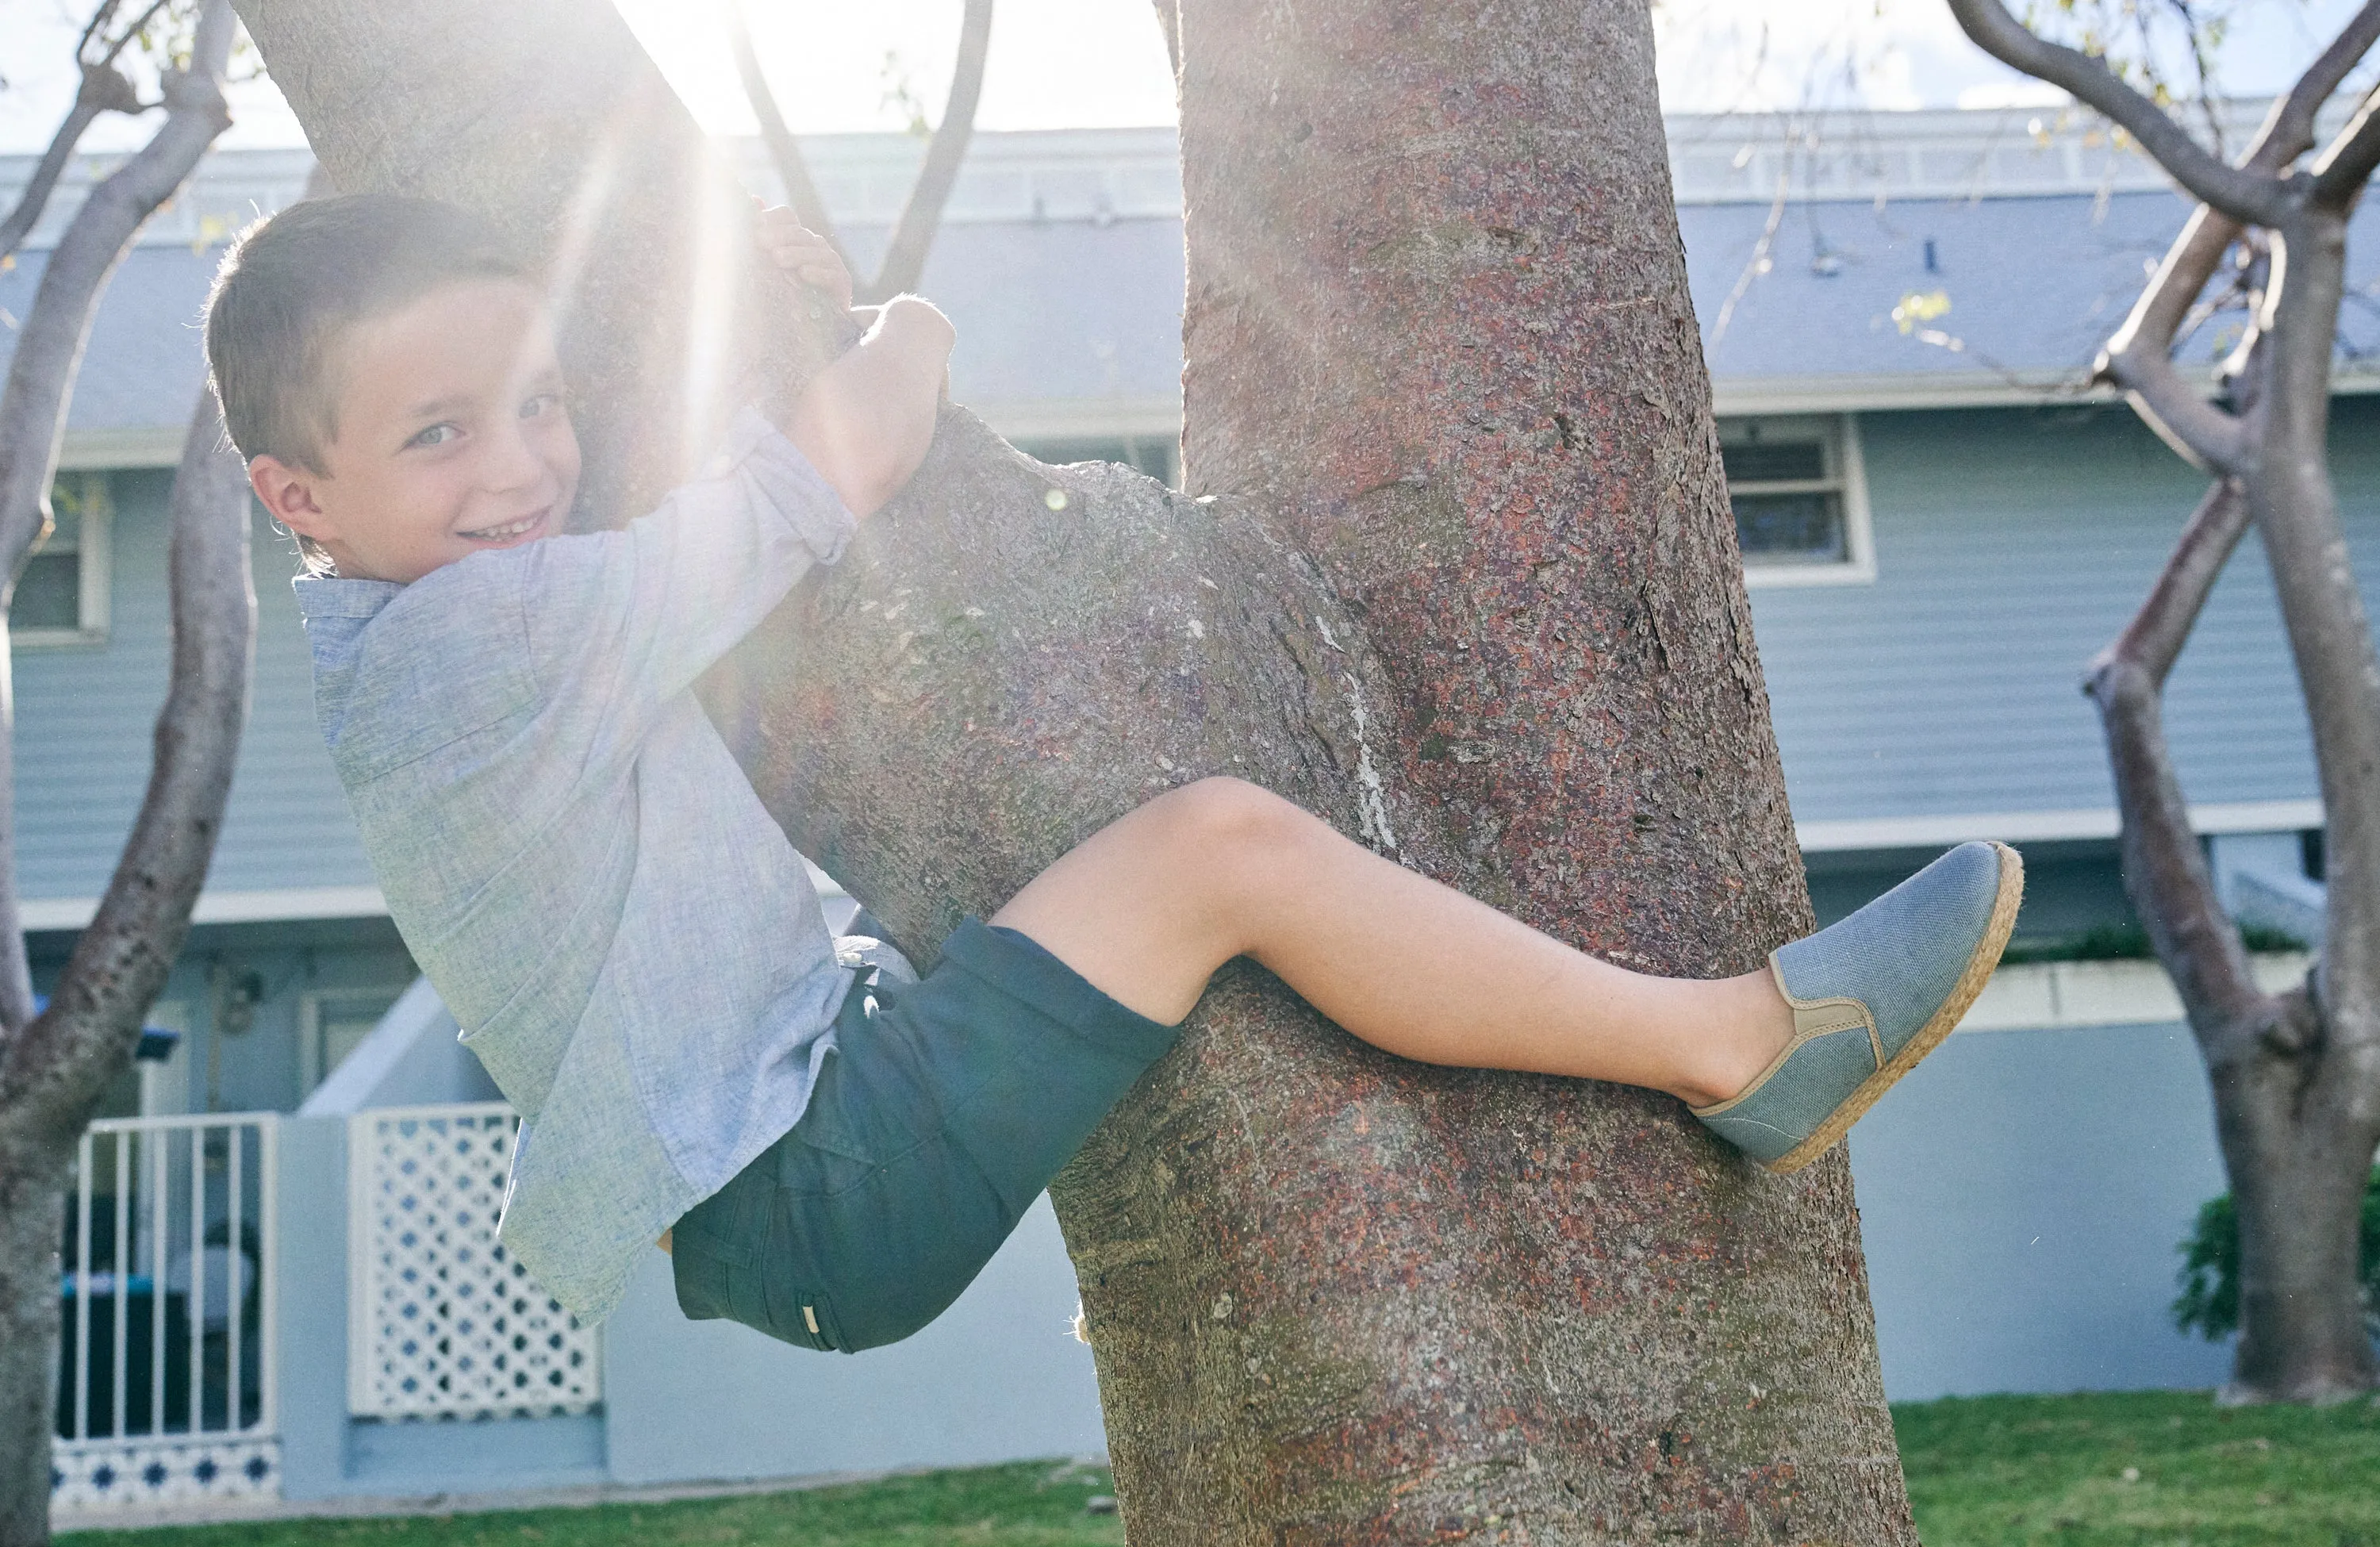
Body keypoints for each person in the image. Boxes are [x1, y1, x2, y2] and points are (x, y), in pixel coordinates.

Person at [206, 193, 2023, 1353]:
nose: (522, 466)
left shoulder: (430, 620)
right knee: (1220, 845)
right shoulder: (472, 646)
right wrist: (897, 324)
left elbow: (684, 525)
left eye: (538, 402)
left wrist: (751, 310)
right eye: (439, 434)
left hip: (808, 1149)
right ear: (298, 497)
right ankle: (1735, 1046)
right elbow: (834, 461)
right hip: (822, 1179)